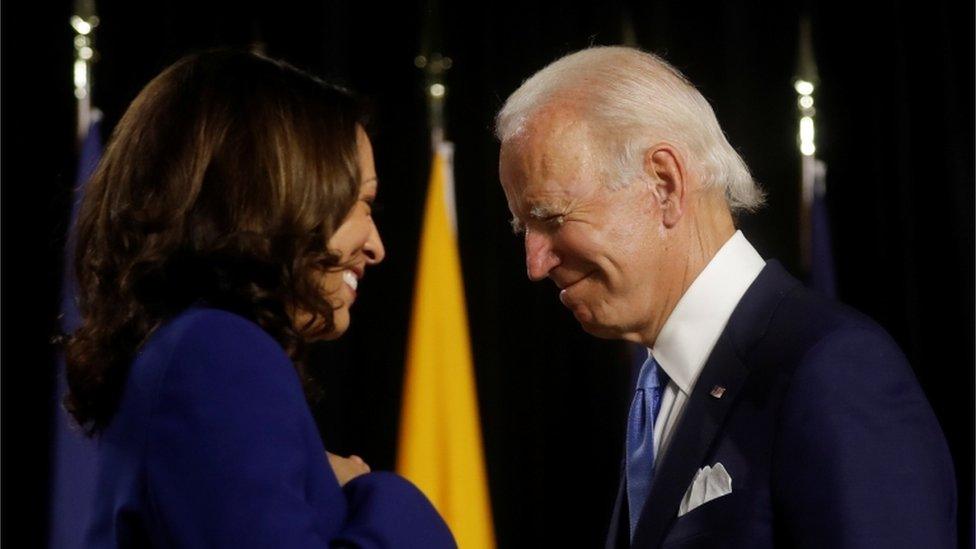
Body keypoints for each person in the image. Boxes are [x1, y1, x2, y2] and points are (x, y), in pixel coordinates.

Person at [495, 46, 956, 548]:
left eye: (553, 217)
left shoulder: (832, 370)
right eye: (524, 227)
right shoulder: (658, 392)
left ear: (664, 184)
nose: (535, 264)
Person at [65, 50, 456, 548]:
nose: (377, 246)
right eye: (361, 203)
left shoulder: (185, 348)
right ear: (279, 198)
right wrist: (379, 497)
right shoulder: (216, 352)